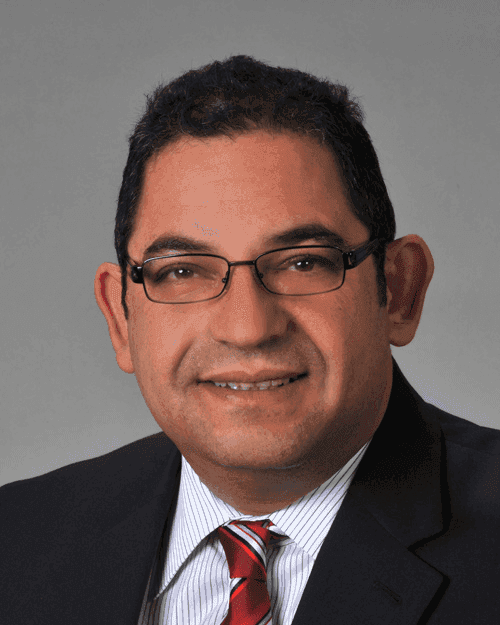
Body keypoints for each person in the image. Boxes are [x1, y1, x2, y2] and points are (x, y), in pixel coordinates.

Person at [1, 55, 499, 625]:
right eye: (182, 271)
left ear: (399, 290)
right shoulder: (16, 542)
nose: (248, 329)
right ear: (120, 317)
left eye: (303, 263)